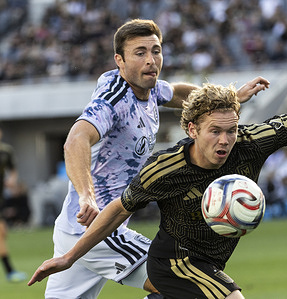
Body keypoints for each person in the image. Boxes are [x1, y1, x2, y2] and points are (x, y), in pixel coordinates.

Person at [28, 83, 287, 298]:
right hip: (175, 262)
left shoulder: (250, 143)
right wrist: (69, 257)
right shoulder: (165, 168)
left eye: (231, 129)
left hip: (211, 260)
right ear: (192, 129)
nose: (226, 140)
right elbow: (117, 210)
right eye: (216, 130)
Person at [39, 19, 270, 299]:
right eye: (140, 53)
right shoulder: (113, 100)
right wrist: (86, 195)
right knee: (183, 282)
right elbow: (76, 140)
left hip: (79, 230)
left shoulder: (150, 89)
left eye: (156, 51)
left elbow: (180, 93)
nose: (151, 60)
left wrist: (231, 97)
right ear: (119, 61)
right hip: (94, 229)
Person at [0, 127, 27, 282]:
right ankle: (10, 272)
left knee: (3, 233)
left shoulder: (6, 151)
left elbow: (13, 169)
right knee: (1, 233)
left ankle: (10, 272)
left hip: (1, 199)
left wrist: (11, 180)